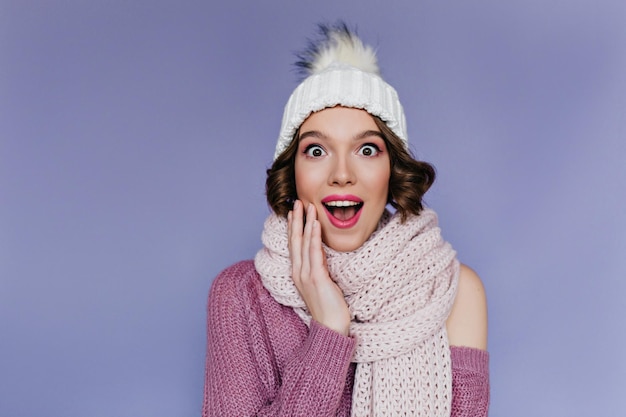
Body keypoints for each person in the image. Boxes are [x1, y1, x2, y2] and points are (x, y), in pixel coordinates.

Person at [202, 22, 489, 417]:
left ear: (394, 172)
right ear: (292, 175)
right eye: (316, 151)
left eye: (367, 149)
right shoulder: (239, 296)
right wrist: (329, 334)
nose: (341, 173)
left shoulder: (451, 291)